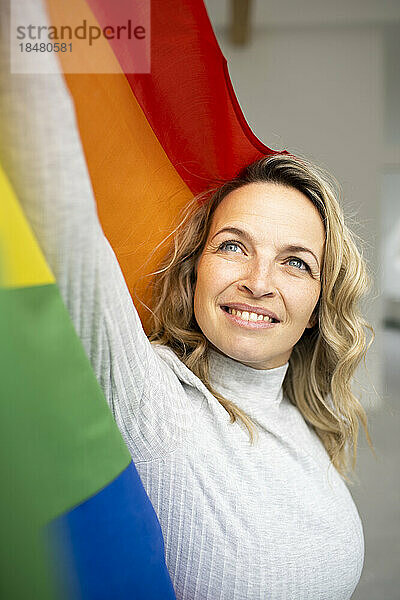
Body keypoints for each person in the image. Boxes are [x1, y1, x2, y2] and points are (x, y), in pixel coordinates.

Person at [1, 6, 373, 600]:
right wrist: (33, 18)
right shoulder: (142, 389)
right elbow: (58, 197)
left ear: (320, 301)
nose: (258, 280)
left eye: (296, 261)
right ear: (195, 268)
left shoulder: (309, 427)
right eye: (233, 247)